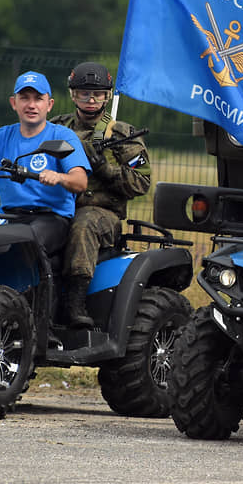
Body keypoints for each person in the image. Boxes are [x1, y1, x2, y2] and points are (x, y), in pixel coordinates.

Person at [50, 62, 152, 328]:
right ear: (73, 95)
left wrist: (106, 170)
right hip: (55, 204)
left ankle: (75, 301)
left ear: (108, 96)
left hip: (101, 213)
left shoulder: (121, 135)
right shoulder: (56, 127)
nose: (91, 99)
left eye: (98, 93)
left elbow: (141, 182)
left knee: (83, 225)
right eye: (84, 92)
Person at [0, 71, 89, 267]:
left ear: (49, 105)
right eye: (24, 98)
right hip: (9, 216)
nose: (31, 105)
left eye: (38, 99)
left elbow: (80, 181)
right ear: (14, 103)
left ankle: (30, 296)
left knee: (22, 245)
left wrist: (59, 177)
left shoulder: (62, 136)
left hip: (51, 218)